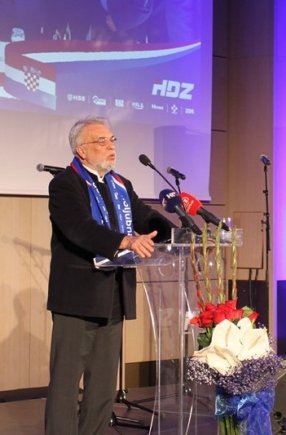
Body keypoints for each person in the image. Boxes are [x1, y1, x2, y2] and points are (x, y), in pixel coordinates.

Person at [45, 116, 173, 435]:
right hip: (77, 299)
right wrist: (125, 241)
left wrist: (180, 233)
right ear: (81, 150)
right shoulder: (65, 184)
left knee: (102, 387)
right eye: (101, 141)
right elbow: (79, 228)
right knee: (65, 385)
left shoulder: (120, 185)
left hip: (114, 296)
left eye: (112, 139)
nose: (110, 146)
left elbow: (145, 217)